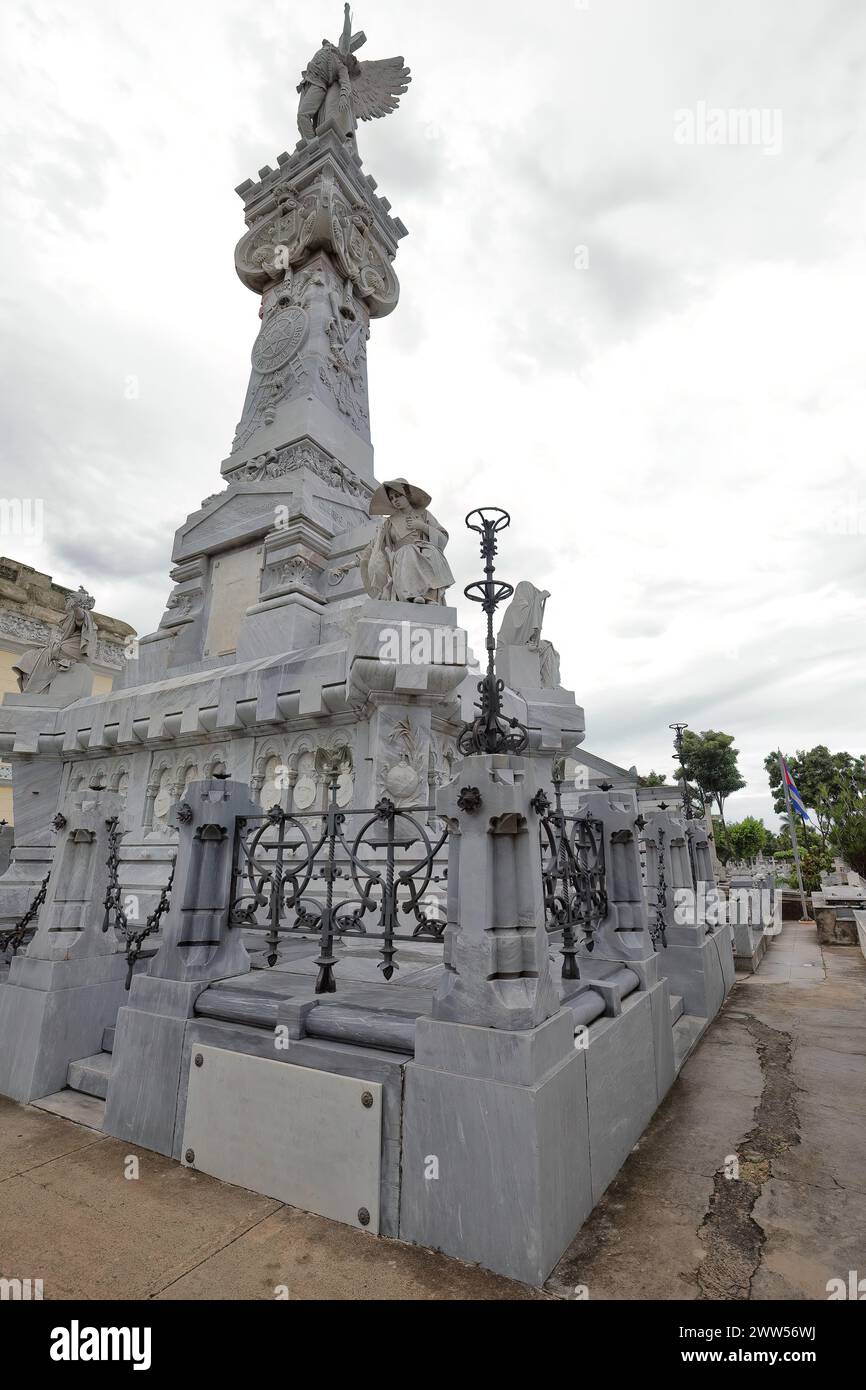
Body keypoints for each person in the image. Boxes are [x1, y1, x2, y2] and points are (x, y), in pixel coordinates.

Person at [360, 478, 454, 604]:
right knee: (407, 551)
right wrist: (353, 563)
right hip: (401, 556)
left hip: (425, 550)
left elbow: (442, 537)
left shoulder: (424, 514)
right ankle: (413, 594)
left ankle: (430, 596)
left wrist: (422, 526)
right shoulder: (389, 522)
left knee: (429, 553)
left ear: (407, 495)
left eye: (398, 496)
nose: (395, 500)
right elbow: (375, 546)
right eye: (392, 498)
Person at [12, 588, 98, 695]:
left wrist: (76, 607)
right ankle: (30, 685)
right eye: (66, 601)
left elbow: (80, 619)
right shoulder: (70, 615)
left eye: (68, 600)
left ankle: (32, 688)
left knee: (35, 655)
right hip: (65, 649)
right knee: (33, 655)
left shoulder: (84, 614)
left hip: (73, 652)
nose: (66, 603)